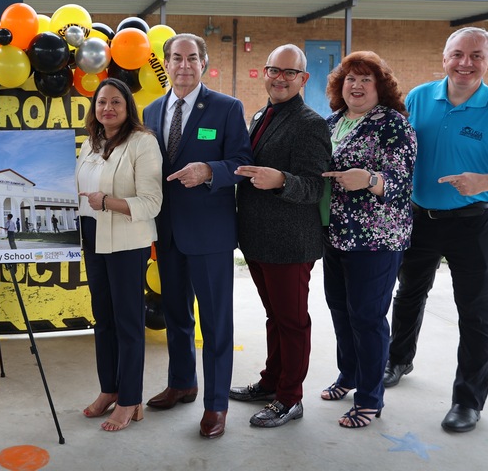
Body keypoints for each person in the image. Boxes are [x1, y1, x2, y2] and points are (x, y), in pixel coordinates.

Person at [384, 27, 488, 433]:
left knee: (477, 314)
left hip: (473, 224)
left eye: (476, 56)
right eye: (458, 54)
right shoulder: (418, 98)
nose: (466, 62)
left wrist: (486, 182)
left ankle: (467, 401)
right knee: (408, 294)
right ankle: (397, 359)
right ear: (444, 58)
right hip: (419, 218)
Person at [142, 33, 252, 439]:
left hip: (210, 235)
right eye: (176, 58)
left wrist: (209, 171)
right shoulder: (151, 112)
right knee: (176, 317)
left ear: (204, 63)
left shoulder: (226, 108)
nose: (183, 65)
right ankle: (182, 383)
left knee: (216, 323)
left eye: (192, 58)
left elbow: (242, 161)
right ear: (166, 64)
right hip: (167, 233)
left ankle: (216, 405)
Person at [229, 45, 331, 428]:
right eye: (275, 70)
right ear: (266, 72)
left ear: (303, 79)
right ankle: (271, 382)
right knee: (275, 317)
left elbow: (312, 187)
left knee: (292, 321)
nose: (281, 77)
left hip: (290, 243)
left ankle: (290, 398)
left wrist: (281, 180)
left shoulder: (310, 123)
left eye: (291, 72)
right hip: (257, 238)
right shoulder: (261, 114)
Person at [319, 51, 416, 429]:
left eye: (365, 80)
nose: (356, 86)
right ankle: (349, 375)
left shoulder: (392, 124)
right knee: (340, 310)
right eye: (349, 79)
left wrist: (370, 179)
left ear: (380, 87)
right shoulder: (331, 122)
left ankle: (370, 399)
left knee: (368, 317)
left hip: (375, 238)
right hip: (335, 234)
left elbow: (401, 181)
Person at [76, 78, 163, 431]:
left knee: (128, 322)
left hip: (128, 243)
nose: (107, 108)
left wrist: (108, 202)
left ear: (128, 107)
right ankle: (108, 390)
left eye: (115, 102)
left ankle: (130, 400)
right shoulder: (90, 144)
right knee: (104, 319)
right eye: (101, 103)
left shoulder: (143, 143)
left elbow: (152, 202)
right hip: (93, 238)